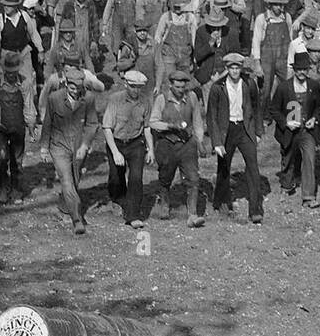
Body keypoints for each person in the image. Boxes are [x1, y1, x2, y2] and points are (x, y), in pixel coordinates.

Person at [40, 65, 100, 235]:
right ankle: (76, 219)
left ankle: (64, 203)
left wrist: (85, 145)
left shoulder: (88, 99)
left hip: (79, 145)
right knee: (66, 179)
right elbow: (48, 123)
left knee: (75, 178)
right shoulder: (54, 98)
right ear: (66, 84)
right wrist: (44, 147)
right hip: (58, 145)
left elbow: (92, 124)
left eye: (79, 88)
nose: (75, 91)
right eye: (72, 88)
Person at [206, 53, 264, 224]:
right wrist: (216, 142)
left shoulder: (249, 84)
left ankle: (255, 209)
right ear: (227, 69)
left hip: (245, 129)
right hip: (227, 129)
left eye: (237, 67)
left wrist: (258, 131)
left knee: (253, 167)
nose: (235, 71)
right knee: (224, 167)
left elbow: (256, 107)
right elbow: (212, 117)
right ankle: (222, 202)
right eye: (231, 68)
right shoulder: (218, 87)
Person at [148, 69, 206, 228]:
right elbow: (152, 122)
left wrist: (199, 142)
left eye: (183, 87)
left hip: (187, 144)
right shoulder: (162, 99)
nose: (181, 90)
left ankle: (192, 214)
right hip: (168, 144)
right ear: (171, 85)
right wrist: (169, 126)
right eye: (177, 87)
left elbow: (197, 121)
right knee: (165, 177)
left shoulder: (192, 97)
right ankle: (165, 203)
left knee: (193, 178)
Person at [269, 52, 320, 208]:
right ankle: (286, 186)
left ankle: (308, 196)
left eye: (305, 69)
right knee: (288, 159)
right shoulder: (284, 87)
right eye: (299, 69)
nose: (302, 73)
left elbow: (319, 106)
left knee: (309, 159)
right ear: (294, 69)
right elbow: (274, 109)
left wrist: (314, 118)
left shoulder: (313, 86)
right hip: (289, 132)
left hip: (307, 132)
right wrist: (286, 123)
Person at [103, 69, 153, 228]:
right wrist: (116, 152)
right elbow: (107, 128)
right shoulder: (115, 100)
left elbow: (147, 128)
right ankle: (118, 198)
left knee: (136, 178)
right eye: (132, 86)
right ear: (126, 84)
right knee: (116, 177)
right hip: (116, 142)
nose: (135, 90)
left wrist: (151, 149)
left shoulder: (145, 102)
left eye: (139, 87)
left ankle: (133, 215)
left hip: (136, 143)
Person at [0, 50, 37, 203]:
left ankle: (16, 189)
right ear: (4, 70)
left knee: (17, 160)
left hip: (18, 127)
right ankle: (3, 186)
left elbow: (29, 106)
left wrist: (31, 127)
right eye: (8, 72)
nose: (11, 75)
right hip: (0, 127)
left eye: (14, 72)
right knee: (2, 157)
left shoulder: (25, 83)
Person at [251, 0, 294, 104]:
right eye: (276, 4)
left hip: (283, 59)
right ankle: (264, 118)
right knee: (264, 91)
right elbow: (256, 41)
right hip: (266, 60)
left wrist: (291, 63)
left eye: (281, 4)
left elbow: (290, 40)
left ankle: (285, 117)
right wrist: (257, 63)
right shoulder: (262, 19)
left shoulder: (287, 17)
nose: (279, 7)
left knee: (290, 88)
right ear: (270, 5)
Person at [0, 0, 44, 81]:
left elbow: (33, 33)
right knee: (8, 83)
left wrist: (40, 50)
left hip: (23, 52)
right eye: (5, 5)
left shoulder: (24, 16)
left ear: (15, 6)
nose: (6, 7)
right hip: (7, 55)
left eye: (9, 5)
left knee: (27, 82)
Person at [154, 0, 198, 80]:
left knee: (185, 81)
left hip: (185, 56)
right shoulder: (166, 17)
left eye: (180, 5)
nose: (178, 7)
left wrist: (194, 57)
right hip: (169, 56)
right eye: (175, 5)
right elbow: (158, 38)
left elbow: (194, 39)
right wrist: (158, 58)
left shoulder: (190, 17)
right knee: (170, 80)